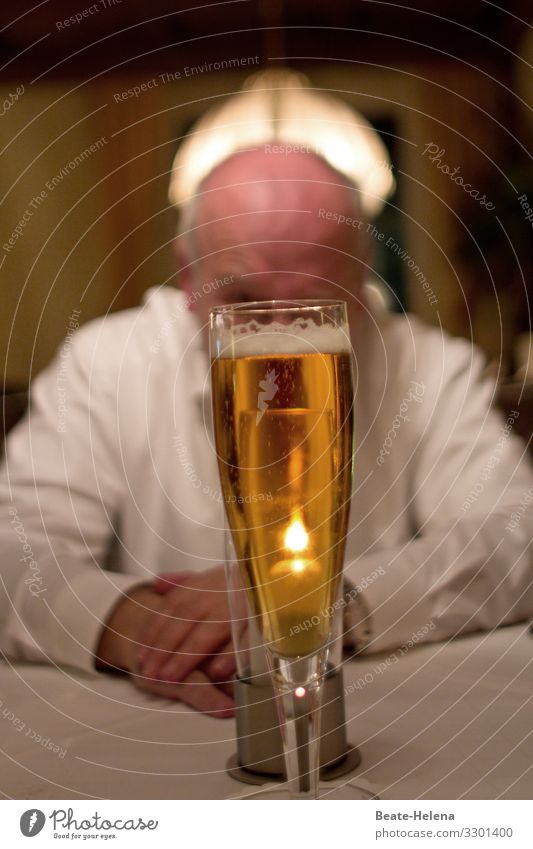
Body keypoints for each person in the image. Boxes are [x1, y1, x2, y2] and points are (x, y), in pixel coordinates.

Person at [1, 116, 532, 719]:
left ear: (362, 276)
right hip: (161, 710)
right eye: (244, 300)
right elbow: (13, 548)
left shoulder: (433, 370)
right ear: (187, 274)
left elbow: (514, 537)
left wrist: (319, 604)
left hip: (374, 710)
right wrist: (133, 623)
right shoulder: (104, 365)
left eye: (314, 304)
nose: (279, 337)